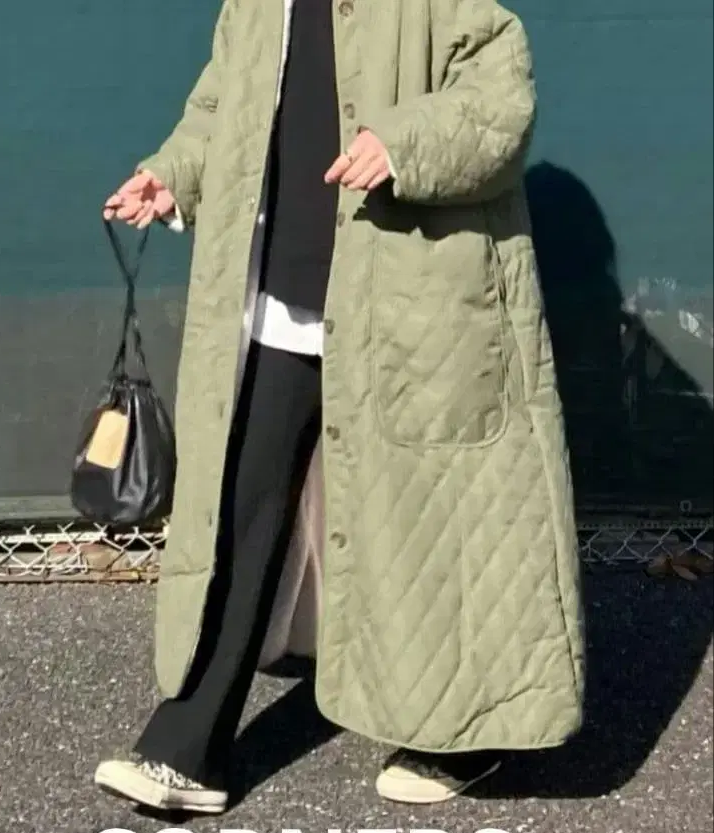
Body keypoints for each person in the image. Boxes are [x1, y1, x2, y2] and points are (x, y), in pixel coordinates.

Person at [95, 0, 585, 814]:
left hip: (411, 306)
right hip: (278, 300)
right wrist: (173, 171)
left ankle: (455, 735)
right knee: (238, 507)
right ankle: (187, 744)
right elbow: (221, 103)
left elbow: (501, 98)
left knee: (427, 520)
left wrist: (403, 142)